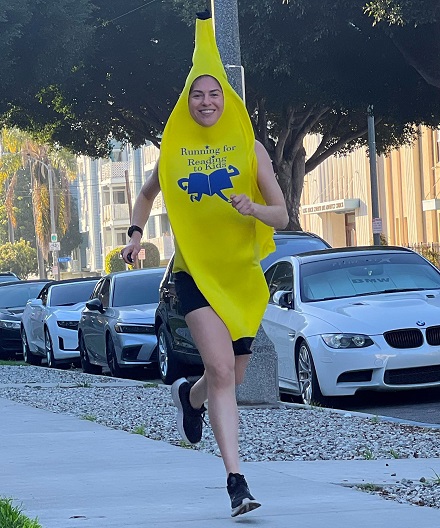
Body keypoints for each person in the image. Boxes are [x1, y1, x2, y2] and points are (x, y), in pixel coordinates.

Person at [121, 12, 288, 518]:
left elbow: (281, 215)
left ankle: (188, 401)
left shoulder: (250, 148)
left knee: (228, 380)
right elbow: (147, 197)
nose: (207, 101)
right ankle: (237, 480)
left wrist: (253, 207)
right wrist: (134, 236)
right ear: (186, 101)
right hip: (192, 277)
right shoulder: (173, 153)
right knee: (218, 368)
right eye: (197, 94)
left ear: (227, 99)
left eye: (214, 93)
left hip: (240, 279)